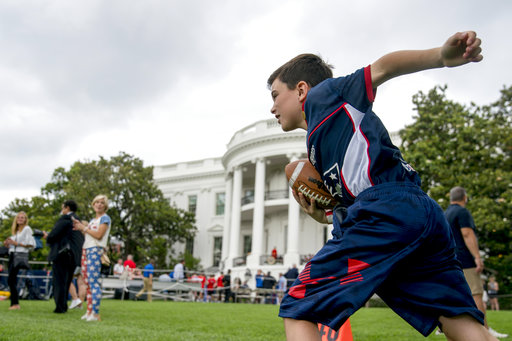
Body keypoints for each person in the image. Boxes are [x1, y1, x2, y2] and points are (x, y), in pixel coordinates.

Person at [267, 31, 496, 340]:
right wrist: (326, 215)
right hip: (418, 212)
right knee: (456, 316)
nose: (272, 107)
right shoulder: (322, 145)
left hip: (387, 208)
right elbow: (351, 210)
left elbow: (383, 68)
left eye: (275, 95)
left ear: (302, 90)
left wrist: (440, 56)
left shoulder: (327, 96)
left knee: (299, 304)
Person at [445, 187, 507, 338]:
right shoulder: (462, 212)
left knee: (454, 297)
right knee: (476, 295)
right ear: (464, 198)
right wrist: (477, 258)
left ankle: (447, 328)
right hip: (465, 260)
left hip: (449, 261)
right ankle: (484, 330)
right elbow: (467, 233)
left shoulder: (445, 213)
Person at [73, 194, 112, 322]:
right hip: (87, 250)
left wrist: (84, 228)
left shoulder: (105, 218)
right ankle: (89, 311)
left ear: (105, 206)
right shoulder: (92, 220)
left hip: (95, 250)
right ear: (93, 204)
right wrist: (80, 227)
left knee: (93, 282)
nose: (99, 204)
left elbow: (99, 235)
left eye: (102, 202)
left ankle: (95, 313)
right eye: (97, 202)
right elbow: (89, 235)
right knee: (88, 282)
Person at [45, 200, 84, 313]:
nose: (62, 210)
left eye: (63, 208)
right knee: (66, 281)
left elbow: (53, 235)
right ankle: (63, 305)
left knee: (59, 281)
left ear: (67, 208)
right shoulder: (77, 220)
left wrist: (47, 236)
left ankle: (60, 307)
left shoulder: (65, 219)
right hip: (73, 256)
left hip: (62, 254)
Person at [3, 211, 35, 310]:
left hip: (19, 256)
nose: (20, 219)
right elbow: (14, 243)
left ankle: (15, 303)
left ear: (25, 219)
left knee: (11, 279)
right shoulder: (16, 231)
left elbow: (31, 244)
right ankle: (14, 303)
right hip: (12, 255)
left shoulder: (27, 229)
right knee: (11, 279)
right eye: (18, 217)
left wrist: (16, 243)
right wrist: (9, 243)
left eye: (22, 217)